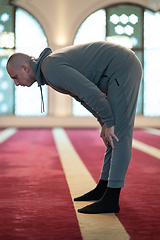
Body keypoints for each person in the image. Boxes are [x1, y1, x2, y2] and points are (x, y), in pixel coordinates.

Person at [6, 41, 142, 214]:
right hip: (113, 70)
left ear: (25, 68)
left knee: (119, 135)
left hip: (122, 67)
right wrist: (104, 122)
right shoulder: (49, 71)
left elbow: (91, 93)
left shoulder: (51, 68)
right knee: (111, 136)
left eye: (15, 77)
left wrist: (109, 121)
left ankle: (111, 199)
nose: (16, 84)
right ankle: (103, 189)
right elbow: (83, 98)